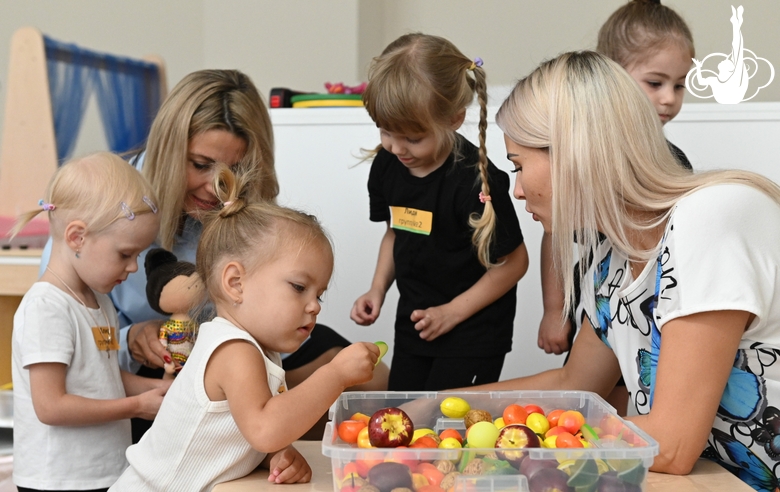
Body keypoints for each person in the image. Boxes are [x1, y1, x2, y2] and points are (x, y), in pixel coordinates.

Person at [481, 50, 780, 490]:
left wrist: (506, 440)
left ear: (574, 152)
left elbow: (674, 445)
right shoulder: (609, 257)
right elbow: (574, 383)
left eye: (519, 166)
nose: (519, 190)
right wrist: (427, 405)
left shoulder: (709, 216)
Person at [40, 69, 388, 440]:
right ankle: (250, 427)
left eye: (233, 169)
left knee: (372, 378)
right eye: (200, 165)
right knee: (263, 399)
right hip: (156, 363)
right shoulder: (109, 205)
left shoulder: (240, 205)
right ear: (169, 152)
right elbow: (66, 324)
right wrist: (130, 338)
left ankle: (261, 429)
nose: (214, 186)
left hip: (234, 343)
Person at [110, 165, 379, 490]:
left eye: (318, 294)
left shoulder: (252, 347)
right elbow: (264, 427)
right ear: (236, 283)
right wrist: (336, 375)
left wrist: (273, 454)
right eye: (298, 287)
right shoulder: (233, 350)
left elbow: (242, 430)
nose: (315, 306)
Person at [351, 33, 529, 391]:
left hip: (473, 333)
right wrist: (377, 289)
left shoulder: (475, 183)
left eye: (413, 138)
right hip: (417, 324)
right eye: (386, 132)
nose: (396, 147)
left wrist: (452, 313)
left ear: (453, 119)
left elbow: (514, 262)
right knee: (403, 421)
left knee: (447, 434)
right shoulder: (388, 164)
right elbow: (396, 230)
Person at [538, 0, 696, 360]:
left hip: (656, 316)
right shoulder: (584, 158)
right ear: (611, 77)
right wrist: (553, 310)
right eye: (655, 83)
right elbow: (556, 234)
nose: (669, 99)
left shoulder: (672, 162)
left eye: (680, 85)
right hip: (599, 312)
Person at [10, 153, 170, 492]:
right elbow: (51, 406)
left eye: (138, 256)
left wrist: (156, 390)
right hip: (58, 481)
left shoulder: (99, 302)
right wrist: (137, 406)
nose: (133, 268)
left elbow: (102, 377)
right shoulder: (46, 307)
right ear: (77, 237)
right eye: (125, 254)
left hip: (104, 473)